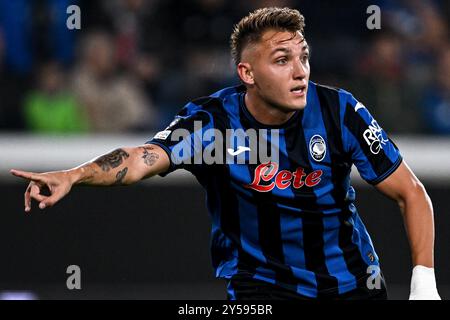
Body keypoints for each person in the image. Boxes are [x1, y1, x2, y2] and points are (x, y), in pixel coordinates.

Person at [10, 7, 440, 300]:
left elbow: (411, 192)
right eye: (282, 59)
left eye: (304, 57)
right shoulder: (212, 122)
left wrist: (424, 283)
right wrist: (74, 175)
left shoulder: (340, 111)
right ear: (247, 73)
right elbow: (142, 157)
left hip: (353, 287)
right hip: (261, 289)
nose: (300, 70)